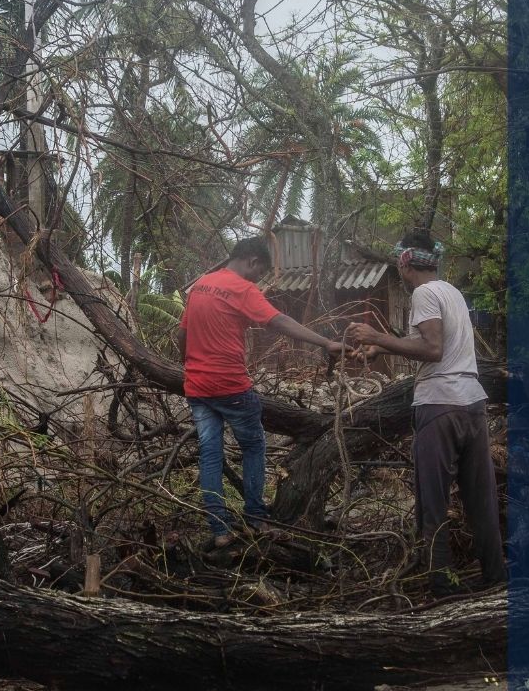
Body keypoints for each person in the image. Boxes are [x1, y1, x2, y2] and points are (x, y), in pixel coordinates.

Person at [347, 231, 504, 594]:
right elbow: (441, 348)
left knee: (432, 504)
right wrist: (383, 350)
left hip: (440, 405)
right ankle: (496, 578)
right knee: (481, 500)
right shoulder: (452, 293)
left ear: (404, 263)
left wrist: (377, 337)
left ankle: (442, 587)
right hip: (472, 404)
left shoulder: (422, 293)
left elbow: (432, 349)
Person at [176, 236, 347, 548]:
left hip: (197, 387)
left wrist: (188, 366)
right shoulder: (242, 288)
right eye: (260, 273)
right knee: (254, 446)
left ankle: (220, 530)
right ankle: (256, 517)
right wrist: (325, 342)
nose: (259, 280)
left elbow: (182, 334)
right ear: (252, 261)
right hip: (230, 386)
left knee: (210, 454)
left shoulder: (200, 285)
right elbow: (279, 321)